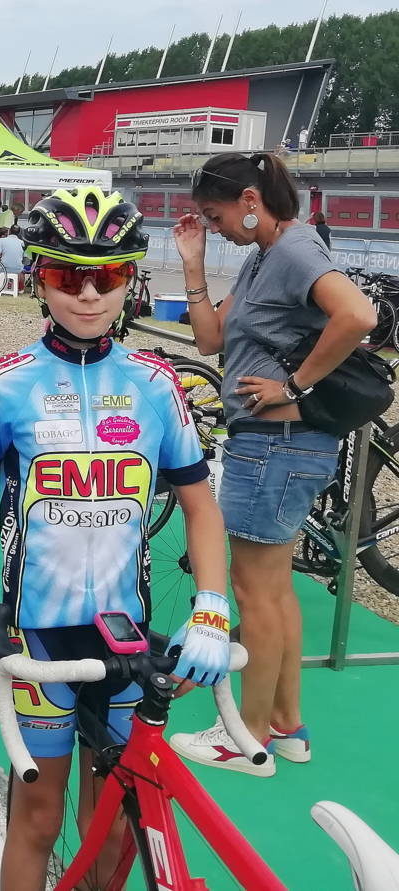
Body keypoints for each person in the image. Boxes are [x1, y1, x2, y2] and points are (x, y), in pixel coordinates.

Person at [0, 186, 228, 890]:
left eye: (109, 275)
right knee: (37, 821)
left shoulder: (157, 383)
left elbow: (200, 507)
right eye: (68, 275)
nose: (90, 294)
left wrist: (212, 607)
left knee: (114, 826)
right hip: (39, 640)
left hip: (124, 639)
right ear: (39, 278)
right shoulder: (5, 382)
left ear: (132, 280)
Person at [168, 152, 375, 776]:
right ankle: (285, 725)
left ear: (251, 201)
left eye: (216, 216)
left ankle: (246, 737)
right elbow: (211, 339)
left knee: (253, 593)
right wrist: (194, 263)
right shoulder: (266, 255)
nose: (216, 227)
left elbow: (358, 315)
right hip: (278, 446)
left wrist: (295, 385)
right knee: (275, 591)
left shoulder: (293, 251)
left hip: (276, 445)